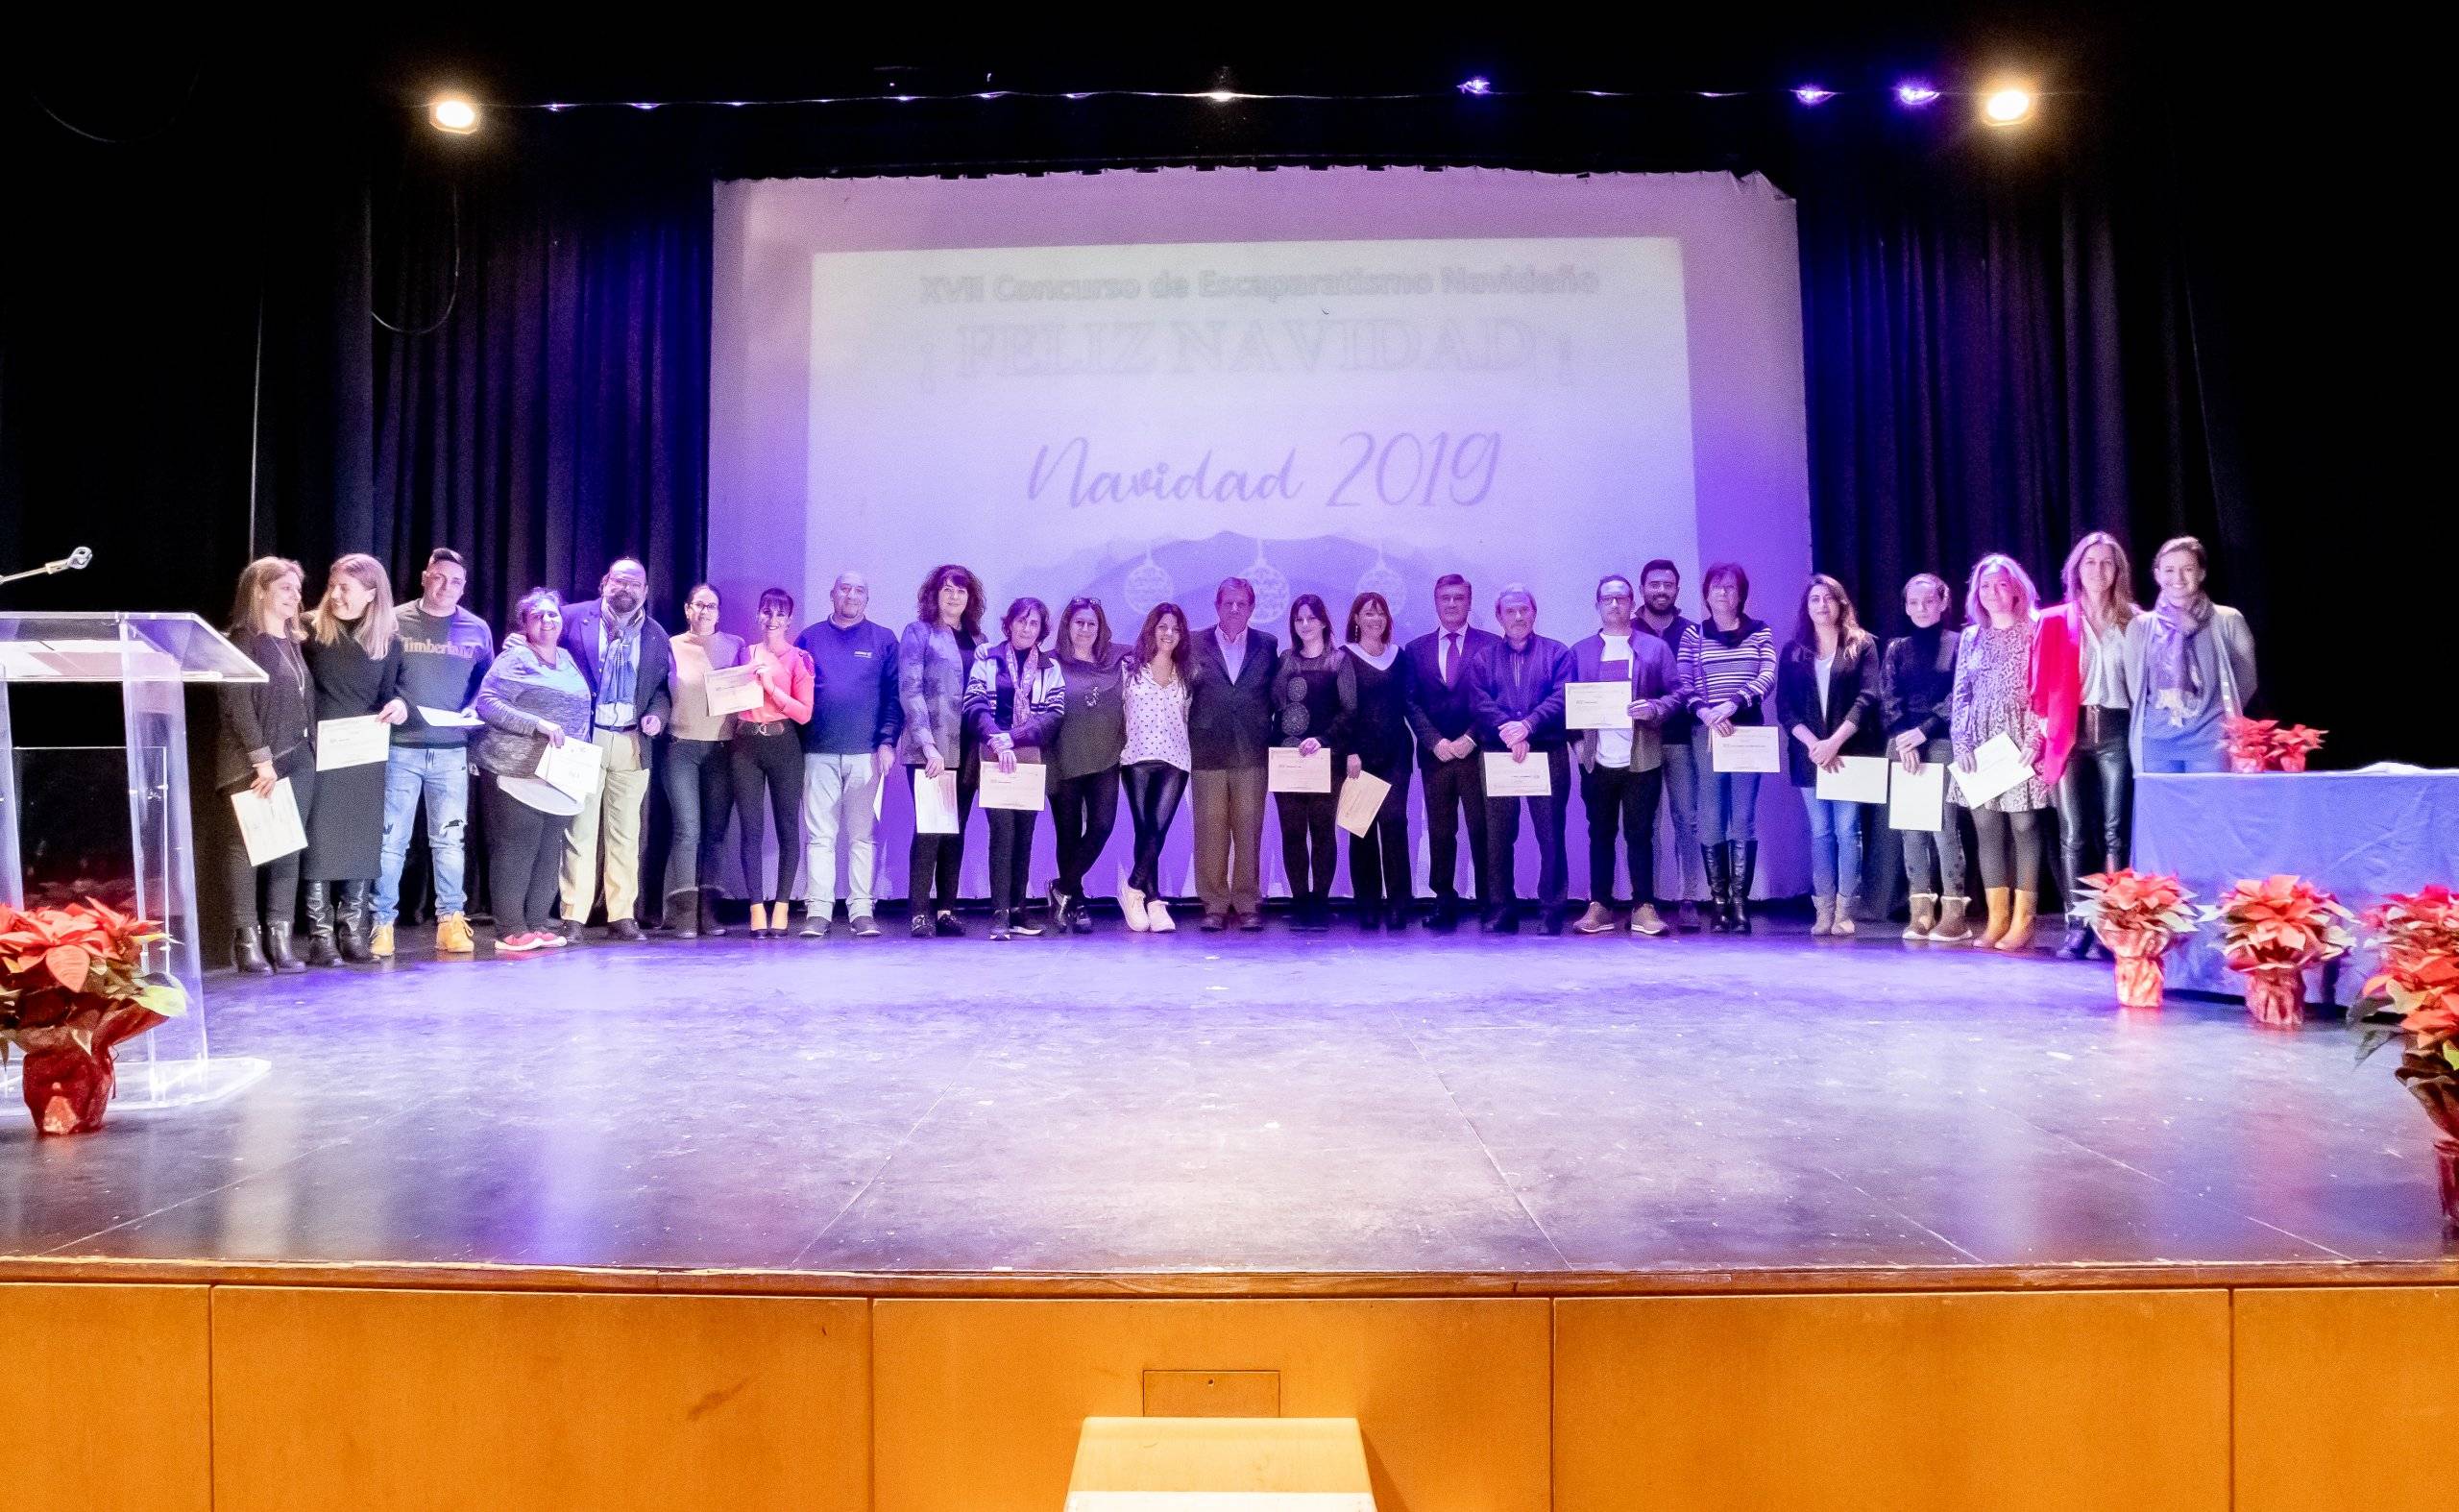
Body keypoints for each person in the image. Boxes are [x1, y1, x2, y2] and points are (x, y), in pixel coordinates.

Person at [373, 548, 493, 960]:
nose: (447, 587)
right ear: (425, 576)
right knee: (391, 843)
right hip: (400, 748)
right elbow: (375, 677)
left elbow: (486, 684)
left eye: (456, 581)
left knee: (449, 842)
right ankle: (381, 923)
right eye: (440, 578)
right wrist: (396, 702)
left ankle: (451, 922)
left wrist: (474, 707)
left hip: (450, 752)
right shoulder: (394, 620)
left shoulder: (477, 629)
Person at [2033, 532, 2140, 958]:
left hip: (2117, 728)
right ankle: (2078, 925)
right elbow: (2038, 687)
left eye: (2107, 563)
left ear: (2118, 571)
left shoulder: (2134, 619)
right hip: (2069, 731)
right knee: (2074, 833)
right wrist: (2043, 736)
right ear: (2076, 570)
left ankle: (2115, 924)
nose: (2098, 571)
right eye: (2090, 563)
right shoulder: (2055, 619)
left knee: (2115, 833)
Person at [474, 589, 595, 954]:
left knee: (548, 849)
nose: (548, 621)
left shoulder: (567, 658)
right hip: (516, 769)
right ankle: (511, 929)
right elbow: (486, 704)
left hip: (560, 773)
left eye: (553, 615)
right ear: (524, 623)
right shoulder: (515, 659)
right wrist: (536, 724)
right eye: (538, 616)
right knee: (516, 847)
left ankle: (537, 924)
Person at [556, 558, 671, 943]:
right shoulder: (570, 619)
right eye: (619, 581)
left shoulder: (655, 634)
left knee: (626, 834)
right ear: (605, 582)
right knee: (580, 831)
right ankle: (574, 914)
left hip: (631, 742)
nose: (626, 589)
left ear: (645, 590)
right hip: (584, 739)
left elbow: (660, 690)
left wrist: (657, 715)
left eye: (635, 583)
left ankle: (621, 913)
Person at [301, 554, 408, 966]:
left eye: (345, 587)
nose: (335, 594)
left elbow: (388, 694)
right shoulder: (310, 630)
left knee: (362, 838)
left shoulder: (387, 641)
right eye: (333, 585)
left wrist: (398, 704)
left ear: (371, 594)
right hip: (320, 748)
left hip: (363, 752)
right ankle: (321, 935)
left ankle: (353, 929)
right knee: (321, 839)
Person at [1570, 573, 1685, 938]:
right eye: (1607, 599)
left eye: (1621, 598)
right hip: (1596, 759)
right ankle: (1599, 905)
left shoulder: (1654, 648)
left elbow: (1677, 694)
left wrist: (1654, 708)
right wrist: (1575, 742)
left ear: (1631, 602)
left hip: (1642, 757)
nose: (1615, 604)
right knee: (1599, 834)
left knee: (1640, 834)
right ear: (1597, 604)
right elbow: (1567, 702)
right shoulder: (1581, 650)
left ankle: (1644, 907)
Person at [215, 557, 314, 975]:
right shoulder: (242, 639)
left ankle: (280, 938)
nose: (295, 597)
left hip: (299, 758)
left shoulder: (293, 641)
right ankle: (247, 940)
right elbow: (235, 704)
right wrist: (262, 760)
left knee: (287, 849)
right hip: (253, 763)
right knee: (246, 851)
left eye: (297, 589)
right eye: (285, 589)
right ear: (260, 591)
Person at [1952, 554, 2054, 951]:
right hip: (1979, 743)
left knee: (2025, 826)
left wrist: (2034, 739)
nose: (1992, 593)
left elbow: (2045, 690)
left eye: (2000, 584)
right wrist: (1961, 741)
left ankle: (2025, 921)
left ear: (2016, 588)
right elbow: (1961, 693)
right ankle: (1997, 919)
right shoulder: (1971, 637)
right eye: (1985, 586)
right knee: (1986, 828)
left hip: (2022, 739)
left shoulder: (2036, 630)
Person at [794, 571, 902, 939]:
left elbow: (893, 697)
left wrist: (887, 742)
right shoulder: (809, 637)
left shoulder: (884, 639)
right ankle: (818, 911)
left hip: (867, 754)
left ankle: (861, 910)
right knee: (820, 837)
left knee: (861, 837)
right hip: (818, 751)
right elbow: (797, 691)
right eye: (845, 588)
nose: (852, 595)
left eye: (859, 590)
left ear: (867, 598)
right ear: (832, 594)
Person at [1777, 574, 1884, 938]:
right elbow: (1785, 708)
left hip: (1849, 752)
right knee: (1821, 832)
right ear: (1806, 608)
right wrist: (1814, 745)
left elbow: (1869, 697)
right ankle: (1823, 909)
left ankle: (1845, 909)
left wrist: (1834, 742)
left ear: (1841, 603)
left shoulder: (1863, 645)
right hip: (1810, 755)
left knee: (1847, 830)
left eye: (1828, 598)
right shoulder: (1792, 651)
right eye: (1814, 600)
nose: (1821, 605)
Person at [1467, 584, 1575, 934]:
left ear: (1534, 612)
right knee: (1498, 835)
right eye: (1509, 611)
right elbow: (1479, 701)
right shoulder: (1483, 657)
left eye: (1523, 610)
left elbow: (1561, 698)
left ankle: (1551, 911)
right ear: (1499, 616)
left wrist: (1527, 726)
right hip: (1499, 753)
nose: (1517, 617)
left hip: (1547, 751)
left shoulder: (1557, 653)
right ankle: (1502, 909)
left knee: (1550, 835)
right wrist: (1508, 729)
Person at [1678, 564, 1778, 934]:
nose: (1723, 593)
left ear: (1742, 594)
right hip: (1706, 732)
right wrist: (1705, 711)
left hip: (1746, 729)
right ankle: (1719, 903)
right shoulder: (1693, 634)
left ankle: (1741, 904)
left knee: (1743, 815)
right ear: (1705, 594)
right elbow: (1683, 681)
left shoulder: (1760, 630)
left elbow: (1767, 675)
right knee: (1710, 815)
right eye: (1716, 588)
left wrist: (1733, 703)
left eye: (1730, 588)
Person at [1402, 574, 1500, 931]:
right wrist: (1434, 741)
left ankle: (1491, 901)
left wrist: (1471, 738)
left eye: (1459, 597)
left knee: (1481, 828)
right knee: (1441, 831)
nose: (1452, 604)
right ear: (1436, 602)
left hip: (1477, 752)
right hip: (1436, 755)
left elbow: (1496, 697)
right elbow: (1410, 701)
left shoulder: (1491, 644)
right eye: (1445, 598)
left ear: (1469, 601)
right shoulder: (1416, 649)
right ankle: (1444, 899)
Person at [966, 597, 1066, 940]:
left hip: (1029, 755)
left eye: (1034, 623)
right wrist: (996, 739)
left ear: (1042, 630)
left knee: (1025, 834)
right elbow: (974, 702)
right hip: (993, 752)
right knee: (1002, 832)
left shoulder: (1050, 667)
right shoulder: (987, 657)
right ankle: (999, 914)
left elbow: (1054, 714)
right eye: (1021, 621)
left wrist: (1014, 738)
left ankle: (1019, 911)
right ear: (1008, 624)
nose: (1026, 628)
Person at [1186, 577, 1280, 932]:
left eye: (1243, 603)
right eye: (1229, 603)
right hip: (1206, 749)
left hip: (1252, 751)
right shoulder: (1195, 642)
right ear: (1217, 606)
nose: (1235, 609)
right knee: (1209, 830)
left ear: (1252, 608)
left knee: (1248, 829)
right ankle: (1213, 902)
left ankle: (1246, 901)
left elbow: (1275, 695)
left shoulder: (1267, 645)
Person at [1882, 573, 1970, 941]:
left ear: (1943, 602)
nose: (1922, 608)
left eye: (1929, 601)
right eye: (1914, 602)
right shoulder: (1896, 648)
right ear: (1905, 606)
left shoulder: (1958, 643)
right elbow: (1888, 697)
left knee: (1943, 827)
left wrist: (1924, 731)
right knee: (1910, 828)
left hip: (1941, 741)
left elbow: (1959, 695)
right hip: (1903, 743)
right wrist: (1906, 738)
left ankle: (1954, 912)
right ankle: (1921, 910)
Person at [899, 564, 986, 938]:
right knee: (932, 827)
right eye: (947, 589)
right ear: (934, 595)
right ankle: (920, 911)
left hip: (969, 747)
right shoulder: (918, 633)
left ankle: (947, 909)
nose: (954, 596)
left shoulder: (979, 640)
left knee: (956, 829)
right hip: (930, 749)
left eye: (961, 591)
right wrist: (928, 745)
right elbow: (910, 689)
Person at [2124, 535, 2257, 776]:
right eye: (2169, 570)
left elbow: (2247, 681)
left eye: (2188, 569)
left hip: (2211, 741)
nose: (2178, 578)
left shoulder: (2228, 620)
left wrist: (2216, 719)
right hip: (2156, 741)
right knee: (2163, 814)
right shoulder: (2140, 627)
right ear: (2157, 575)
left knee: (2210, 813)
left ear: (2202, 573)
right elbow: (2136, 689)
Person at [662, 584, 743, 939]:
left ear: (719, 612)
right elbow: (657, 693)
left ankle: (708, 911)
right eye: (699, 605)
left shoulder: (735, 646)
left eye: (711, 606)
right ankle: (683, 914)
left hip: (723, 750)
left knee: (715, 834)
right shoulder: (671, 646)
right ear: (687, 608)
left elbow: (746, 695)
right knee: (687, 829)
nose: (705, 611)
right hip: (681, 748)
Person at [732, 588, 816, 938]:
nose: (773, 619)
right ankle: (755, 908)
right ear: (759, 615)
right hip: (746, 743)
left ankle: (781, 906)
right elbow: (730, 700)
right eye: (767, 612)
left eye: (780, 614)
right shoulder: (745, 653)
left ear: (789, 619)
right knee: (751, 830)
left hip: (783, 744)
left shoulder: (800, 658)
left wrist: (771, 687)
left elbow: (805, 712)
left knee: (787, 829)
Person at [1272, 594, 1356, 933]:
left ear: (1323, 621)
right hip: (1287, 759)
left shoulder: (1339, 661)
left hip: (1326, 759)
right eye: (1298, 620)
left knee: (1322, 833)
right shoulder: (1285, 660)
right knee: (1292, 833)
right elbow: (1276, 703)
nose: (1304, 625)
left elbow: (1349, 710)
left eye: (1310, 618)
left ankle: (1320, 902)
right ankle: (1299, 901)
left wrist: (1322, 741)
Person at [1047, 596, 1128, 934]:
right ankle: (1076, 900)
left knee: (1101, 827)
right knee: (1067, 834)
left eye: (1091, 623)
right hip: (1062, 757)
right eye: (1078, 622)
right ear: (1067, 625)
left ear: (1101, 628)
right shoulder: (1048, 661)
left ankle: (1062, 887)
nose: (1084, 629)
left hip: (1106, 756)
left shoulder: (1118, 658)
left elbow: (1160, 649)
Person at [1635, 559, 1706, 930]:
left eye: (1668, 585)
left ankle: (1689, 897)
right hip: (1637, 742)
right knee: (1645, 823)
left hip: (1682, 738)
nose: (1660, 591)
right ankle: (1648, 899)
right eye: (1653, 584)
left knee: (1686, 819)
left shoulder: (1691, 631)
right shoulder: (1625, 630)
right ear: (1642, 587)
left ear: (1677, 589)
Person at [1341, 592, 1415, 933]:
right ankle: (1367, 904)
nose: (1375, 619)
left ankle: (1400, 903)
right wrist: (1349, 751)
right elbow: (1340, 709)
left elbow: (1409, 703)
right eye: (1367, 613)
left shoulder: (1400, 657)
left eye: (1380, 613)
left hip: (1396, 751)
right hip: (1359, 756)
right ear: (1356, 618)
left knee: (1395, 823)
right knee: (1362, 829)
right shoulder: (1344, 657)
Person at [1117, 603, 1193, 933]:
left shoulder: (1187, 672)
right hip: (1136, 757)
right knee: (1145, 828)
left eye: (1175, 629)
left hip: (1176, 759)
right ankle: (1152, 899)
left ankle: (1133, 890)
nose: (1169, 634)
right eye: (1163, 627)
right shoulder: (1129, 668)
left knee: (1157, 830)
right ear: (1152, 629)